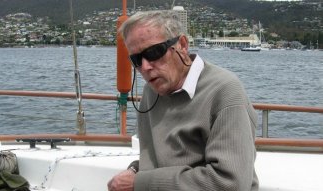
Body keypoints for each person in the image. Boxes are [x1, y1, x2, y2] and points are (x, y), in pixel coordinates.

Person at [108, 10, 259, 191]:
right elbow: (161, 159)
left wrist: (140, 183)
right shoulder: (151, 92)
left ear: (182, 45)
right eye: (136, 59)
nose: (146, 67)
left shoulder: (224, 91)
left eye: (154, 52)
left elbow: (229, 183)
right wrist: (135, 169)